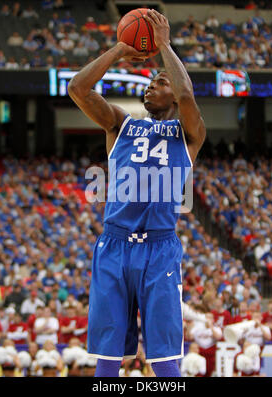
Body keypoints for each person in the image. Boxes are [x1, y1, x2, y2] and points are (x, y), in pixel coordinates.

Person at [68, 9, 206, 377]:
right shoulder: (119, 125)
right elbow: (78, 89)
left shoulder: (189, 133)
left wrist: (163, 47)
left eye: (159, 82)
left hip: (159, 248)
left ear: (172, 97)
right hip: (114, 244)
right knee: (109, 356)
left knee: (163, 356)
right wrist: (118, 50)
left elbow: (188, 95)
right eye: (150, 82)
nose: (150, 85)